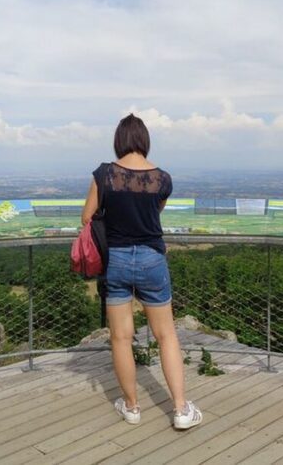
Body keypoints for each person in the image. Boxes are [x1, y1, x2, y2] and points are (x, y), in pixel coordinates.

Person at [81, 113, 203, 429]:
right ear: (145, 141)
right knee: (166, 335)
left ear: (119, 141)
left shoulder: (104, 175)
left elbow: (87, 217)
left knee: (121, 338)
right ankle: (180, 409)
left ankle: (132, 407)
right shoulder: (162, 179)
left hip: (116, 261)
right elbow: (154, 214)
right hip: (152, 259)